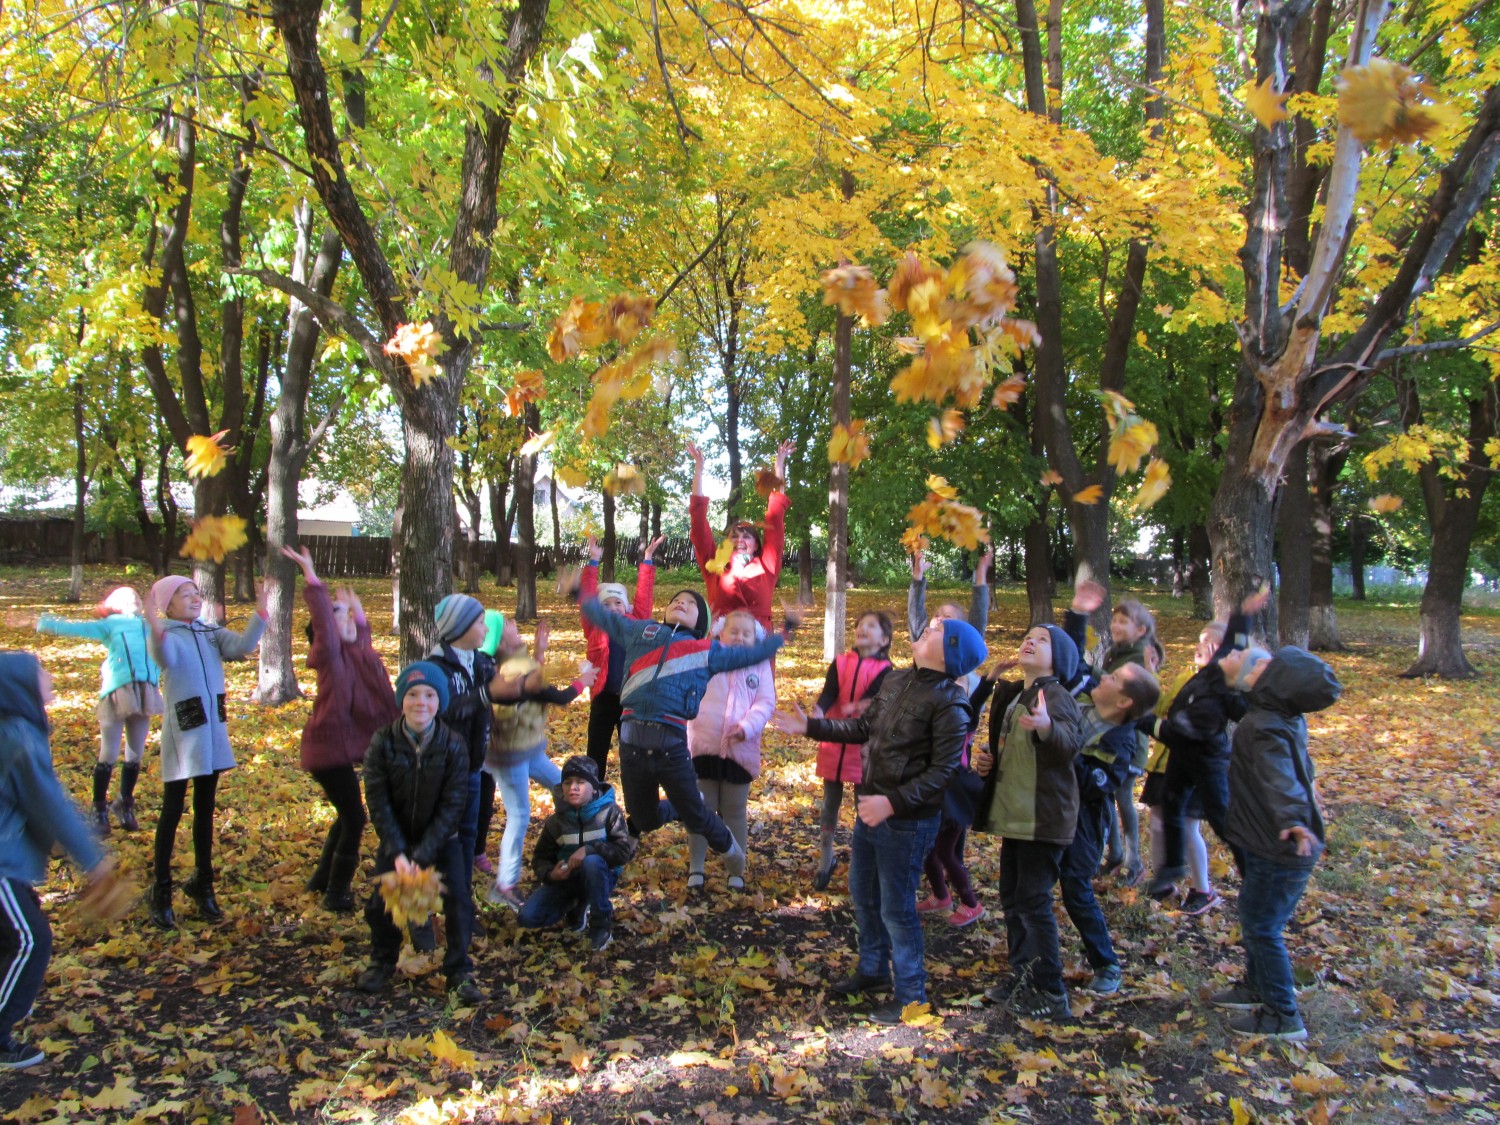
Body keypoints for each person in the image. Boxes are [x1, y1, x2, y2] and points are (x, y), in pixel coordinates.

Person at [772, 617, 986, 1025]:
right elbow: (864, 727)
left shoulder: (951, 703)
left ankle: (912, 999)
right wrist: (811, 727)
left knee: (897, 908)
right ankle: (872, 971)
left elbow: (942, 773)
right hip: (873, 806)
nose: (930, 625)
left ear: (952, 652)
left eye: (940, 628)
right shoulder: (898, 679)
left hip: (906, 821)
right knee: (863, 893)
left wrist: (893, 803)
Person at [577, 583, 790, 878]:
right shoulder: (642, 632)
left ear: (701, 621)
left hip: (672, 748)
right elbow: (604, 618)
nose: (681, 602)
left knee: (698, 815)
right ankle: (677, 807)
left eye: (690, 603)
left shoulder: (706, 650)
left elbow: (749, 656)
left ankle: (729, 848)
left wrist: (785, 630)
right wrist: (578, 590)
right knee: (643, 818)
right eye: (676, 599)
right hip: (632, 747)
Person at [0, 651, 122, 1070]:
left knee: (11, 940)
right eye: (41, 673)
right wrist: (93, 861)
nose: (50, 677)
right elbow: (48, 804)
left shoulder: (15, 731)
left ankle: (10, 999)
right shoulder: (18, 736)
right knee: (29, 940)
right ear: (22, 687)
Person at [1212, 645, 1341, 1041]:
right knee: (1255, 921)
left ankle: (1283, 1015)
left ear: (1274, 683)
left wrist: (1293, 819)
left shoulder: (1264, 726)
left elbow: (1280, 778)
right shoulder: (1278, 716)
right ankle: (1256, 986)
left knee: (1261, 926)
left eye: (1266, 663)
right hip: (1265, 841)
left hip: (1281, 847)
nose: (1255, 660)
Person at [971, 622, 1084, 1020]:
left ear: (1060, 658)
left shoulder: (1057, 697)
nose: (1030, 642)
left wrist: (1049, 727)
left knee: (1034, 901)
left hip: (1043, 819)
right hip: (1014, 817)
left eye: (1043, 640)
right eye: (1028, 637)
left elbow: (1070, 743)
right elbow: (1009, 750)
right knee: (1013, 897)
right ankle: (1023, 975)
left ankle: (1050, 989)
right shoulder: (1018, 694)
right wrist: (990, 761)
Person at [280, 547, 398, 912]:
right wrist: (312, 578)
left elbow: (362, 637)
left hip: (344, 750)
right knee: (355, 818)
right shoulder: (330, 656)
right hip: (326, 751)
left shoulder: (358, 654)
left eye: (348, 617)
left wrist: (356, 611)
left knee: (347, 815)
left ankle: (321, 880)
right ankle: (337, 892)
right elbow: (328, 628)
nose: (346, 621)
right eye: (338, 618)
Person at [145, 576, 266, 928]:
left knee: (205, 810)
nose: (195, 598)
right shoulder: (168, 635)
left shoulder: (209, 632)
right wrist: (154, 628)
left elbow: (243, 646)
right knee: (172, 810)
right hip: (184, 736)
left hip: (212, 733)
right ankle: (162, 889)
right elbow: (164, 657)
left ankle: (203, 883)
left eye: (196, 593)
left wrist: (261, 610)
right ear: (168, 605)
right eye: (185, 595)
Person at [358, 661, 480, 1003]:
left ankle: (458, 969)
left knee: (458, 899)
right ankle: (382, 960)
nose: (420, 703)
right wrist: (398, 853)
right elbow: (377, 800)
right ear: (402, 699)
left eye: (429, 695)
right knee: (382, 899)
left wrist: (422, 856)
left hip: (441, 840)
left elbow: (453, 805)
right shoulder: (382, 742)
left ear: (439, 702)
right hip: (397, 839)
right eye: (412, 694)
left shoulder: (454, 745)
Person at [1055, 608, 1161, 996]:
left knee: (1075, 888)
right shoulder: (1084, 700)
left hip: (1083, 823)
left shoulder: (1120, 740)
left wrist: (1059, 747)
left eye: (1113, 678)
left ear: (1123, 702)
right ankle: (1037, 959)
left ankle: (1106, 963)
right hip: (1051, 813)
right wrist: (1078, 615)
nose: (1104, 676)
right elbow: (1074, 663)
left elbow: (1095, 783)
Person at [1139, 589, 1270, 902]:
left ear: (1240, 676)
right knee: (1170, 804)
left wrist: (1138, 719)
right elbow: (1233, 640)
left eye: (1235, 657)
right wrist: (1243, 612)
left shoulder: (1214, 701)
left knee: (1220, 815)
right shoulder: (1215, 671)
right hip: (1183, 759)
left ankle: (1252, 868)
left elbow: (1174, 732)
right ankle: (1170, 869)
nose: (1228, 653)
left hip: (1205, 762)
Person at [425, 593, 544, 910]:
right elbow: (441, 711)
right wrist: (483, 694)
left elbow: (506, 692)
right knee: (446, 840)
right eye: (479, 622)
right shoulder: (437, 668)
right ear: (461, 627)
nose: (484, 628)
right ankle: (435, 905)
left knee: (467, 837)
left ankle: (462, 908)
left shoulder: (481, 662)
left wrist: (530, 671)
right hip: (446, 769)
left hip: (473, 765)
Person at [483, 618, 596, 907]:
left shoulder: (514, 664)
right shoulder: (509, 672)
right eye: (507, 626)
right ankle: (505, 885)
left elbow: (531, 681)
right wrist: (583, 681)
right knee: (520, 815)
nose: (512, 622)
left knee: (563, 788)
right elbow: (553, 695)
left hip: (529, 749)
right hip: (511, 756)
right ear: (501, 643)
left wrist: (539, 652)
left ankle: (568, 843)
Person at [35, 587, 161, 833]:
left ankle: (124, 804)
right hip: (117, 692)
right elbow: (78, 628)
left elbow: (176, 633)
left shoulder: (150, 625)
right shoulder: (111, 624)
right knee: (109, 753)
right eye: (127, 598)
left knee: (135, 755)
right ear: (115, 604)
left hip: (146, 691)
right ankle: (99, 809)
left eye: (136, 596)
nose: (133, 600)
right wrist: (45, 622)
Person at [1068, 582, 1157, 887]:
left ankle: (1130, 858)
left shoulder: (1136, 660)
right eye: (1115, 619)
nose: (1117, 625)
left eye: (1124, 621)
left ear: (1141, 630)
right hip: (1111, 739)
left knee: (1120, 799)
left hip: (1125, 747)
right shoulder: (1117, 654)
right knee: (1108, 798)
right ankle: (1116, 853)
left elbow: (1140, 698)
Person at [686, 609, 776, 892]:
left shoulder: (759, 665)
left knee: (735, 810)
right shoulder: (708, 658)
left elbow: (765, 702)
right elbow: (690, 690)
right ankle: (696, 867)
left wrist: (747, 727)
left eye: (746, 633)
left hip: (740, 750)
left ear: (756, 639)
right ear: (720, 634)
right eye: (733, 631)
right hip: (704, 746)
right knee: (702, 810)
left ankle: (736, 868)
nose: (739, 637)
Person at [517, 755, 637, 952]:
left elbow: (623, 852)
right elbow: (540, 857)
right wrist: (550, 873)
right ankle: (576, 906)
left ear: (594, 787)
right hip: (567, 879)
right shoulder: (556, 822)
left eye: (581, 782)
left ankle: (601, 924)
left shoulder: (609, 812)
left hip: (601, 875)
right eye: (567, 782)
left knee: (592, 863)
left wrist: (590, 849)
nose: (573, 787)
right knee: (528, 918)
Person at [810, 610, 894, 890]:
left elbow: (876, 699)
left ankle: (863, 864)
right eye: (860, 624)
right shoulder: (841, 662)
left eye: (871, 626)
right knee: (829, 803)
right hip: (835, 741)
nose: (862, 629)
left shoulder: (886, 670)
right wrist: (820, 710)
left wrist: (861, 707)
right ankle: (826, 857)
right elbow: (829, 691)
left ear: (884, 640)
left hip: (864, 748)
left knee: (863, 806)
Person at [580, 533, 662, 783]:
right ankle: (592, 795)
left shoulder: (635, 623)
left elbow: (644, 597)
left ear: (626, 608)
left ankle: (636, 805)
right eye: (607, 604)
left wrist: (647, 560)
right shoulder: (595, 626)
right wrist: (593, 562)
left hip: (631, 700)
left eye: (618, 603)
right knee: (596, 752)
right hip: (604, 697)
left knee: (632, 753)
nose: (613, 608)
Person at [687, 440, 792, 632]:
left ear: (757, 545)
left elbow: (775, 520)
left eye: (747, 536)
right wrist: (699, 469)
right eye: (734, 536)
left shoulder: (766, 565)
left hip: (758, 648)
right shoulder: (715, 566)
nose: (740, 540)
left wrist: (779, 466)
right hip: (722, 645)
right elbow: (699, 525)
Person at [906, 545, 992, 646]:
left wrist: (981, 576)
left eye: (947, 616)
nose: (939, 618)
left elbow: (979, 615)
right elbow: (915, 612)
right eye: (936, 615)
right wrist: (917, 575)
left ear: (962, 628)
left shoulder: (964, 647)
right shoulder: (923, 640)